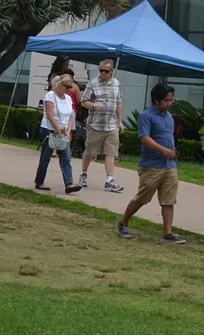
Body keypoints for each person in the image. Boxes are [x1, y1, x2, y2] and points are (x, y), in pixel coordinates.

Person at [117, 83, 184, 244]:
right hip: (151, 166)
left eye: (171, 100)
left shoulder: (169, 117)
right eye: (166, 100)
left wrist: (171, 151)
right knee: (142, 198)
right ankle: (123, 222)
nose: (169, 103)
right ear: (156, 100)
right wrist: (163, 150)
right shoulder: (146, 116)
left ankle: (168, 233)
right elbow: (144, 138)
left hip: (169, 166)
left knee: (169, 200)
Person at [79, 59, 124, 193]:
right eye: (101, 70)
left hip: (111, 124)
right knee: (89, 151)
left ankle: (109, 180)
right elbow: (83, 101)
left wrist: (120, 121)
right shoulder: (93, 83)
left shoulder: (116, 84)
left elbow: (119, 103)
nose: (103, 73)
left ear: (111, 72)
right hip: (95, 124)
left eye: (106, 71)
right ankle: (83, 173)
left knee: (110, 152)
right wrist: (93, 105)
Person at [34, 76, 83, 195]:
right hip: (49, 129)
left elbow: (71, 115)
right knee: (46, 156)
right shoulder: (50, 95)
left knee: (65, 157)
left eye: (70, 87)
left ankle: (69, 184)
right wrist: (58, 130)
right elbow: (50, 114)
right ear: (60, 85)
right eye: (67, 87)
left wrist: (68, 130)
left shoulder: (68, 98)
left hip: (63, 130)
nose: (68, 90)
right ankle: (39, 181)